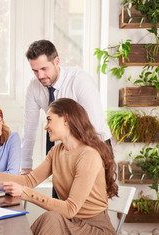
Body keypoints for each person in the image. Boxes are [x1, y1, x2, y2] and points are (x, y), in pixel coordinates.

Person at [0, 98, 119, 235]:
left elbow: (70, 209)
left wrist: (25, 193)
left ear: (66, 119)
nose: (45, 126)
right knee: (51, 219)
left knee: (52, 219)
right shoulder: (57, 151)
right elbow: (29, 180)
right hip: (71, 223)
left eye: (49, 120)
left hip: (94, 230)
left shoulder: (88, 155)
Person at [21, 40, 112, 176]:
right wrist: (26, 165)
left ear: (56, 61)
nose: (40, 76)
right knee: (58, 197)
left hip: (94, 144)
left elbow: (94, 126)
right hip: (65, 149)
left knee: (90, 196)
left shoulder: (80, 81)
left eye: (44, 69)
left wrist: (86, 158)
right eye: (35, 70)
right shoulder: (34, 87)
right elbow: (29, 129)